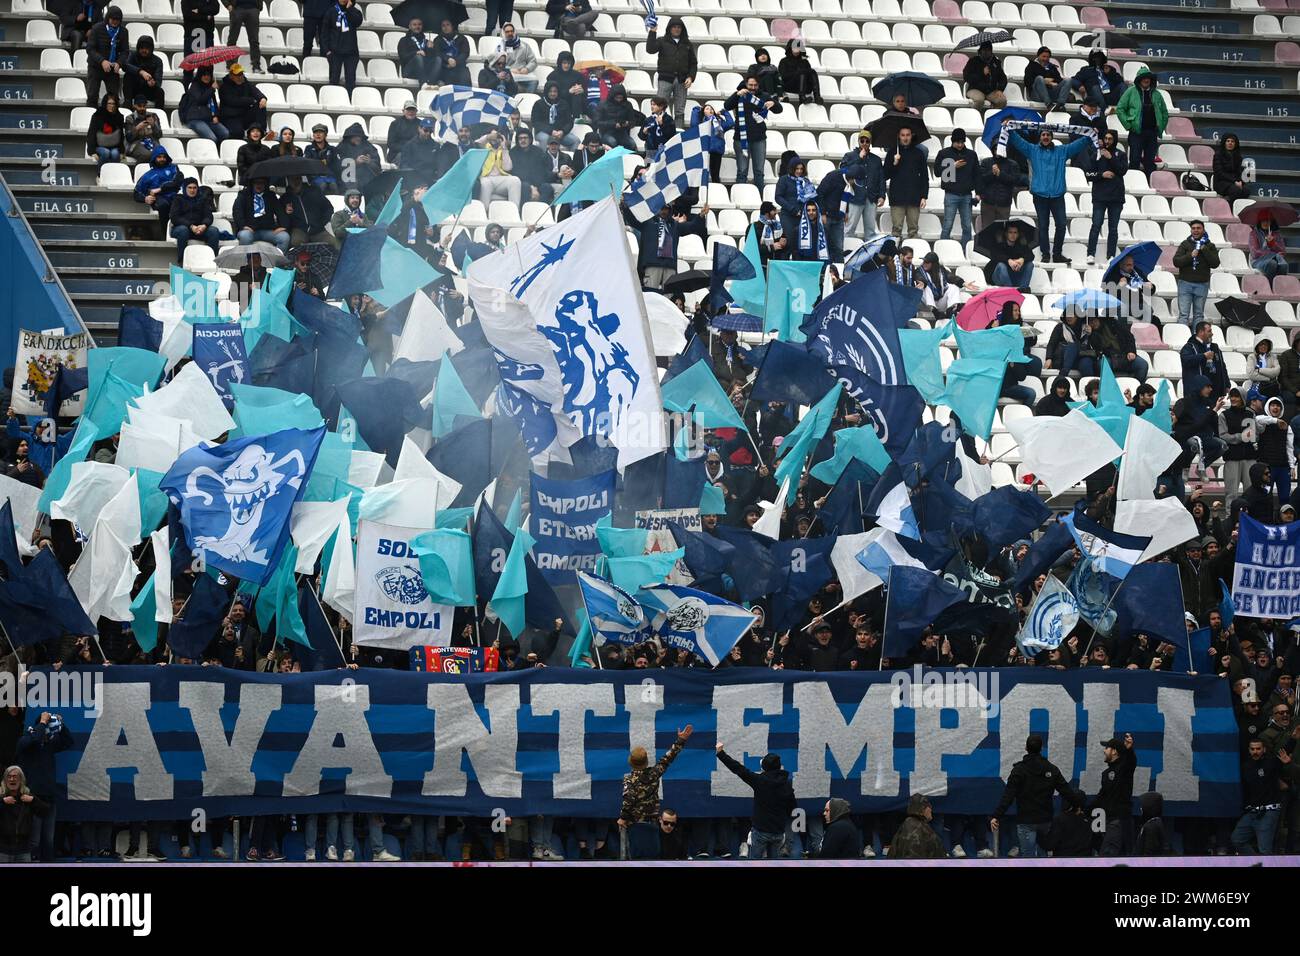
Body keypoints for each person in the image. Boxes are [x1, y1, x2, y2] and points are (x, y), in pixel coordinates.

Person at [1006, 125, 1091, 264]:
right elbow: (1018, 141)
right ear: (1040, 137)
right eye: (1043, 135)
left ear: (1052, 137)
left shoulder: (1061, 151)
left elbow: (1078, 145)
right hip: (1040, 195)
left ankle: (1057, 254)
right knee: (1043, 225)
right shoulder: (1032, 150)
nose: (1045, 137)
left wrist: (1089, 135)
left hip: (1057, 195)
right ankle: (1045, 254)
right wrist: (1010, 129)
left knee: (1062, 224)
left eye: (1048, 135)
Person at [990, 735, 1077, 859]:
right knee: (1044, 858)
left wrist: (996, 815)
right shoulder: (1051, 769)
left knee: (1028, 858)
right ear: (1041, 748)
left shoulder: (1019, 770)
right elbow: (1066, 791)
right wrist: (1080, 806)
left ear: (1026, 748)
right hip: (1045, 820)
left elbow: (1008, 796)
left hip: (1026, 820)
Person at [618, 725, 692, 860]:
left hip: (635, 824)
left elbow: (628, 800)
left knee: (636, 858)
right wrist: (680, 740)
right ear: (646, 762)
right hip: (652, 822)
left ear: (632, 763)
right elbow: (668, 758)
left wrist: (623, 817)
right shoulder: (654, 773)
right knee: (652, 857)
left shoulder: (629, 780)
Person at [714, 743, 796, 860]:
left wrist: (721, 754)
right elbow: (792, 807)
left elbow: (738, 769)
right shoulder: (786, 784)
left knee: (755, 863)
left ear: (765, 767)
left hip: (760, 832)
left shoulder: (759, 780)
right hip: (778, 832)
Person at [1232, 738, 1295, 854]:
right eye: (1252, 749)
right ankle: (1256, 862)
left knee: (1265, 849)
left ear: (1264, 749)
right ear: (1249, 750)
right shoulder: (1245, 766)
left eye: (1258, 748)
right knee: (1237, 840)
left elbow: (1284, 752)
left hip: (1269, 811)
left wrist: (1293, 738)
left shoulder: (1271, 763)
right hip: (1252, 811)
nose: (1255, 751)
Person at [725, 76, 780, 193]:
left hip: (759, 138)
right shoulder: (740, 94)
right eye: (750, 85)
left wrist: (773, 103)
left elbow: (779, 109)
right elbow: (727, 106)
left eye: (755, 85)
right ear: (746, 84)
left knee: (759, 171)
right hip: (741, 139)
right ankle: (740, 195)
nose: (753, 88)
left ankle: (760, 198)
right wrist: (737, 95)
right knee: (742, 170)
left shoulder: (764, 96)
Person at [1116, 67, 1167, 178]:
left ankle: (1149, 184)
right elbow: (1120, 109)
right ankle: (1133, 183)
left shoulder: (1157, 94)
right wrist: (1128, 125)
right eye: (1143, 78)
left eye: (1148, 78)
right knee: (1134, 160)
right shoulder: (1130, 91)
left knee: (1150, 162)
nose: (1146, 80)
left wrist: (1160, 127)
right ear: (1139, 79)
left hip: (1152, 133)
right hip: (1136, 133)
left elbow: (1164, 113)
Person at [1085, 129, 1126, 264]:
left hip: (1116, 198)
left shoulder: (1121, 154)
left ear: (1115, 140)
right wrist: (1101, 175)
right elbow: (1088, 174)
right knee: (1096, 225)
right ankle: (1090, 254)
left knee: (1113, 228)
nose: (1107, 141)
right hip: (1099, 197)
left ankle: (1111, 256)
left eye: (1110, 139)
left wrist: (1111, 158)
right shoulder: (1096, 154)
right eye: (1106, 138)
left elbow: (1122, 170)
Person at [1091, 734, 1137, 856]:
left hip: (1120, 820)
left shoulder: (1124, 768)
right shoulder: (1106, 773)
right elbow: (1102, 795)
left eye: (1107, 748)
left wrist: (1129, 750)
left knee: (1107, 857)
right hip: (1109, 820)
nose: (1104, 750)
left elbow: (1131, 763)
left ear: (1114, 751)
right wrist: (1084, 809)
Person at [645, 17, 695, 127]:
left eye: (679, 27)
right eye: (674, 27)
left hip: (682, 81)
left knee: (680, 110)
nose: (676, 29)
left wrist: (691, 77)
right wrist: (652, 32)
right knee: (659, 107)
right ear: (669, 28)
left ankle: (678, 135)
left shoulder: (687, 44)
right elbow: (650, 49)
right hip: (665, 79)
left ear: (682, 29)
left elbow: (693, 63)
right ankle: (659, 132)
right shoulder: (662, 41)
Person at [839, 130, 885, 241]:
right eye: (862, 140)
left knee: (870, 231)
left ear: (870, 143)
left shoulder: (876, 159)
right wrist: (859, 158)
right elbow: (843, 171)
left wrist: (882, 195)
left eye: (867, 141)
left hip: (871, 196)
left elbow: (881, 179)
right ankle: (846, 252)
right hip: (855, 196)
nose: (864, 143)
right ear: (858, 141)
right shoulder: (849, 155)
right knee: (849, 228)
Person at [1172, 219, 1219, 326]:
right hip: (1185, 283)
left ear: (1203, 230)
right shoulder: (1185, 244)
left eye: (1198, 228)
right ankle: (1182, 339)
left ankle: (1197, 340)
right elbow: (1176, 261)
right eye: (1193, 228)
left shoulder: (1210, 245)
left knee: (1198, 315)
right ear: (1190, 230)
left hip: (1202, 284)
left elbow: (1215, 263)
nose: (1196, 231)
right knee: (1183, 315)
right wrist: (1190, 256)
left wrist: (1204, 249)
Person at [884, 126, 928, 240]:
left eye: (907, 135)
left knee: (913, 230)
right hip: (897, 196)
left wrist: (924, 196)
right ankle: (894, 256)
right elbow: (885, 175)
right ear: (899, 136)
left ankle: (911, 256)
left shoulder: (919, 153)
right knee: (896, 230)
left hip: (914, 196)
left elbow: (924, 176)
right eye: (903, 135)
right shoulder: (892, 152)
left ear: (911, 136)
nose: (905, 138)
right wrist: (894, 162)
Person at [934, 129, 976, 247]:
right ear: (952, 141)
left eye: (962, 142)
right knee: (947, 225)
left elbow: (976, 174)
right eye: (957, 142)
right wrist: (952, 166)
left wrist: (978, 193)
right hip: (951, 194)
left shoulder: (971, 155)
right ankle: (943, 249)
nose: (960, 144)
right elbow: (937, 172)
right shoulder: (943, 153)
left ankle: (965, 251)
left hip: (967, 194)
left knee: (967, 226)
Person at [0, 766, 48, 864]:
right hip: (2, 850)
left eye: (15, 776)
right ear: (5, 780)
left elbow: (46, 811)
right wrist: (2, 802)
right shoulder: (1, 796)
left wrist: (34, 801)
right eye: (9, 777)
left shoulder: (27, 796)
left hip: (23, 851)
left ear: (21, 779)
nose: (12, 779)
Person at [85, 5, 128, 108]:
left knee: (113, 98)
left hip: (112, 68)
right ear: (108, 17)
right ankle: (91, 120)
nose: (115, 22)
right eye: (113, 19)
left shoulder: (123, 32)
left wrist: (119, 63)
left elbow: (125, 51)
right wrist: (102, 61)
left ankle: (112, 122)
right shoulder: (97, 28)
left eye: (117, 20)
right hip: (95, 67)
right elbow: (90, 49)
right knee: (92, 96)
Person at [169, 177, 220, 263]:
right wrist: (191, 226)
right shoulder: (178, 199)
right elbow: (174, 217)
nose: (192, 190)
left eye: (194, 187)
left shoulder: (202, 199)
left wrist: (204, 225)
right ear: (185, 188)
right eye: (189, 187)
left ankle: (213, 262)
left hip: (199, 229)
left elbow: (209, 216)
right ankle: (182, 261)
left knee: (214, 231)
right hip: (182, 228)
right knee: (183, 230)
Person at [234, 176, 290, 251]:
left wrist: (283, 226)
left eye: (262, 183)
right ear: (252, 183)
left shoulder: (271, 196)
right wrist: (243, 226)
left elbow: (280, 211)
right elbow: (237, 211)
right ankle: (247, 261)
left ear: (266, 184)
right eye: (256, 182)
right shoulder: (243, 195)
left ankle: (277, 262)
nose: (259, 185)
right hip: (249, 230)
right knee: (245, 236)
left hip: (268, 230)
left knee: (284, 237)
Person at [133, 144, 182, 228]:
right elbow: (136, 193)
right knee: (163, 205)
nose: (162, 159)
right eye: (159, 157)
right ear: (154, 158)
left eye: (164, 157)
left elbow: (177, 182)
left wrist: (160, 189)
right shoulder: (147, 176)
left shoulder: (173, 168)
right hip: (160, 200)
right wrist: (145, 198)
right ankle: (165, 235)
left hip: (175, 197)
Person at [321, 0, 362, 93]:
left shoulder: (355, 11)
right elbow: (324, 33)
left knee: (351, 81)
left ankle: (350, 101)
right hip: (335, 52)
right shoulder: (331, 12)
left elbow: (358, 22)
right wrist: (327, 50)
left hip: (351, 53)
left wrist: (350, 9)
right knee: (334, 80)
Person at [775, 157, 818, 245]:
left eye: (801, 169)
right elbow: (778, 197)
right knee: (789, 240)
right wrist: (792, 209)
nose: (799, 171)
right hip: (788, 216)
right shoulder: (784, 180)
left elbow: (812, 198)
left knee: (801, 242)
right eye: (797, 169)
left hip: (803, 216)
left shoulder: (806, 181)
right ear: (792, 168)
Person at [1181, 321, 1229, 399]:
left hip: (1214, 392)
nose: (1212, 334)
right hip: (1197, 394)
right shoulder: (1189, 346)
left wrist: (1226, 384)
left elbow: (1222, 366)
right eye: (1209, 331)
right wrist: (1203, 356)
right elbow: (1186, 360)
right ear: (1201, 332)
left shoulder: (1214, 347)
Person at [218, 63, 267, 140]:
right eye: (237, 74)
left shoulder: (246, 83)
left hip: (244, 115)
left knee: (261, 104)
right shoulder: (224, 87)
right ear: (231, 76)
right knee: (237, 133)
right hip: (231, 117)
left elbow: (256, 92)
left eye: (241, 74)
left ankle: (262, 131)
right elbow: (232, 101)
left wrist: (263, 98)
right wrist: (251, 100)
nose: (240, 77)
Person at [983, 220, 1035, 290]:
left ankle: (1023, 289)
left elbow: (1031, 255)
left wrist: (1022, 259)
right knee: (1001, 266)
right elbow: (995, 256)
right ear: (1006, 234)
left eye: (1015, 232)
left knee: (1030, 264)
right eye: (1010, 232)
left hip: (1014, 276)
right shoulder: (998, 245)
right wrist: (1009, 261)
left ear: (1018, 234)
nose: (1013, 235)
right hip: (998, 278)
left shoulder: (1021, 245)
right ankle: (1010, 291)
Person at [889, 794, 945, 859]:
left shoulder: (908, 825)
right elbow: (914, 860)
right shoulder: (917, 829)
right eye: (929, 807)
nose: (931, 809)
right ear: (923, 809)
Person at [975, 152, 1022, 230]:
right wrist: (992, 173)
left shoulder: (1013, 164)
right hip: (987, 203)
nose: (998, 151)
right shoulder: (986, 162)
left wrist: (1000, 174)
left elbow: (1015, 181)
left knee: (1001, 231)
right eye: (995, 149)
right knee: (987, 230)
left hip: (1004, 203)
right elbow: (981, 179)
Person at [282, 176, 333, 246]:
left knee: (335, 244)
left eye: (297, 178)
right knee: (296, 243)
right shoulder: (285, 197)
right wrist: (287, 213)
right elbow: (283, 219)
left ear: (301, 179)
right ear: (288, 181)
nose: (295, 182)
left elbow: (328, 208)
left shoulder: (314, 191)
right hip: (299, 230)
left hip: (318, 229)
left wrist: (321, 223)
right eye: (292, 180)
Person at [476, 129, 521, 209]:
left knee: (515, 180)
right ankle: (483, 212)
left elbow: (508, 167)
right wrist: (488, 137)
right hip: (487, 177)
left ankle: (513, 211)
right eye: (493, 136)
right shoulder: (484, 146)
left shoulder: (503, 149)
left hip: (501, 178)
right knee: (486, 184)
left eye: (497, 136)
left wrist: (504, 148)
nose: (494, 138)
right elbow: (477, 143)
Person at [122, 35, 164, 108]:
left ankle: (159, 113)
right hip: (134, 88)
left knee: (160, 92)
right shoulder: (132, 55)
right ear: (138, 48)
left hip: (147, 89)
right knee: (127, 76)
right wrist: (141, 72)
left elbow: (158, 80)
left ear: (151, 49)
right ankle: (127, 104)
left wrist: (153, 83)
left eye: (147, 48)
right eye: (142, 48)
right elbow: (125, 66)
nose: (144, 50)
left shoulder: (158, 61)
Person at [594, 83, 641, 151]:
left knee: (632, 144)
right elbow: (596, 122)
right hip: (606, 132)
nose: (619, 100)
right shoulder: (603, 104)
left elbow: (633, 121)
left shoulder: (627, 105)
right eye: (617, 98)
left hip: (622, 132)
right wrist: (613, 124)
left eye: (620, 98)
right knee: (612, 142)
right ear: (612, 96)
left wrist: (627, 123)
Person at [962, 41, 1007, 110]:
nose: (986, 52)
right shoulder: (973, 61)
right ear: (980, 51)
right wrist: (981, 73)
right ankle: (975, 117)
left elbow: (1003, 78)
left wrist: (1000, 89)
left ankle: (992, 116)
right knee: (979, 100)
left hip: (991, 91)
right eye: (984, 50)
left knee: (1002, 100)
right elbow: (967, 77)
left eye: (988, 50)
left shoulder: (995, 62)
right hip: (975, 89)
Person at [398, 17, 440, 87]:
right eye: (414, 24)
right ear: (410, 26)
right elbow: (403, 57)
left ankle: (431, 85)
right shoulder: (404, 40)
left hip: (425, 70)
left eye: (419, 24)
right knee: (418, 57)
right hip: (409, 71)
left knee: (438, 59)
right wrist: (415, 53)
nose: (417, 27)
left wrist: (431, 49)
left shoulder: (426, 41)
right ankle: (423, 84)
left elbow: (432, 58)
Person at [778, 37, 821, 106]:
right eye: (794, 47)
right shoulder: (784, 61)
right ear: (790, 48)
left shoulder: (805, 61)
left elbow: (809, 76)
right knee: (802, 72)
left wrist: (801, 72)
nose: (796, 50)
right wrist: (796, 73)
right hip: (790, 86)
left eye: (798, 48)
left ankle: (817, 97)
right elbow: (782, 76)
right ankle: (802, 98)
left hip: (804, 87)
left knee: (812, 71)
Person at [496, 22, 537, 93]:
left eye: (512, 31)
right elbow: (497, 64)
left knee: (534, 82)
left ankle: (526, 101)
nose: (510, 33)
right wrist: (510, 70)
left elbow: (533, 61)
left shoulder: (525, 46)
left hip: (523, 74)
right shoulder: (500, 47)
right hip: (508, 74)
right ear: (504, 33)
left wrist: (527, 68)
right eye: (507, 32)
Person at [85, 92, 124, 167]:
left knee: (115, 154)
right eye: (109, 103)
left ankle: (113, 175)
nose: (111, 106)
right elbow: (91, 133)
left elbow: (121, 135)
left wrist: (122, 151)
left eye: (113, 104)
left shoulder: (119, 117)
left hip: (114, 145)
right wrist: (92, 151)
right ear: (105, 104)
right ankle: (100, 175)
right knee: (106, 153)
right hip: (98, 145)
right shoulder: (97, 115)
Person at [533, 83, 576, 148]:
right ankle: (543, 158)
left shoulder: (564, 104)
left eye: (555, 91)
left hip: (560, 134)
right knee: (545, 138)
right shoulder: (539, 104)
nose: (553, 93)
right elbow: (535, 122)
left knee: (575, 140)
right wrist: (551, 131)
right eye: (550, 91)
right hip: (544, 132)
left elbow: (569, 122)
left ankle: (571, 158)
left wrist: (563, 131)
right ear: (546, 91)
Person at [1249, 214, 1291, 281]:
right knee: (1272, 264)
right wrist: (1271, 254)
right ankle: (1269, 287)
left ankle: (1279, 288)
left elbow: (1282, 251)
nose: (1265, 223)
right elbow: (1254, 252)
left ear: (1271, 222)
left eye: (1268, 221)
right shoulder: (1253, 234)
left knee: (1284, 265)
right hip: (1258, 260)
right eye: (1263, 221)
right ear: (1259, 222)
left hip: (1276, 259)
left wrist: (1272, 243)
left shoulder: (1276, 234)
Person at [225, 0, 264, 73]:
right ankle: (230, 66)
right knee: (232, 39)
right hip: (237, 8)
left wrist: (258, 7)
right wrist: (227, 5)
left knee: (254, 40)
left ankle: (256, 66)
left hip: (253, 8)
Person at [124, 92, 162, 162]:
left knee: (161, 154)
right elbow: (128, 138)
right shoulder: (130, 118)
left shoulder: (153, 116)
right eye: (139, 106)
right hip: (135, 143)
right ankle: (138, 171)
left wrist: (153, 125)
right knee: (147, 155)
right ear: (134, 106)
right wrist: (137, 128)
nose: (142, 108)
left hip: (152, 141)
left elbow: (159, 135)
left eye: (144, 106)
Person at [432, 18, 472, 86]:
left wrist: (455, 61)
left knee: (464, 77)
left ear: (452, 26)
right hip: (445, 67)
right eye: (443, 25)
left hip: (459, 66)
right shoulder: (437, 40)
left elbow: (465, 53)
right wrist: (448, 59)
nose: (446, 27)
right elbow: (437, 53)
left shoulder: (462, 38)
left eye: (448, 25)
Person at [1212, 133, 1250, 202]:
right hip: (1221, 182)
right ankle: (1230, 209)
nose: (1230, 143)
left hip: (1234, 183)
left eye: (1232, 141)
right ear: (1224, 143)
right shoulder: (1218, 155)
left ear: (1235, 144)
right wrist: (1234, 181)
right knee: (1236, 190)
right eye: (1228, 141)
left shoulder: (1238, 157)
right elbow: (1219, 173)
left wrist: (1240, 182)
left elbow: (1240, 172)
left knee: (1246, 190)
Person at [639, 95, 676, 162]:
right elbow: (641, 136)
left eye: (654, 105)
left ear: (661, 106)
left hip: (664, 149)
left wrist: (662, 124)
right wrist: (644, 133)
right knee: (650, 168)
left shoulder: (668, 119)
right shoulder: (648, 120)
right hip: (651, 150)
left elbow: (671, 135)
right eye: (651, 104)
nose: (652, 106)